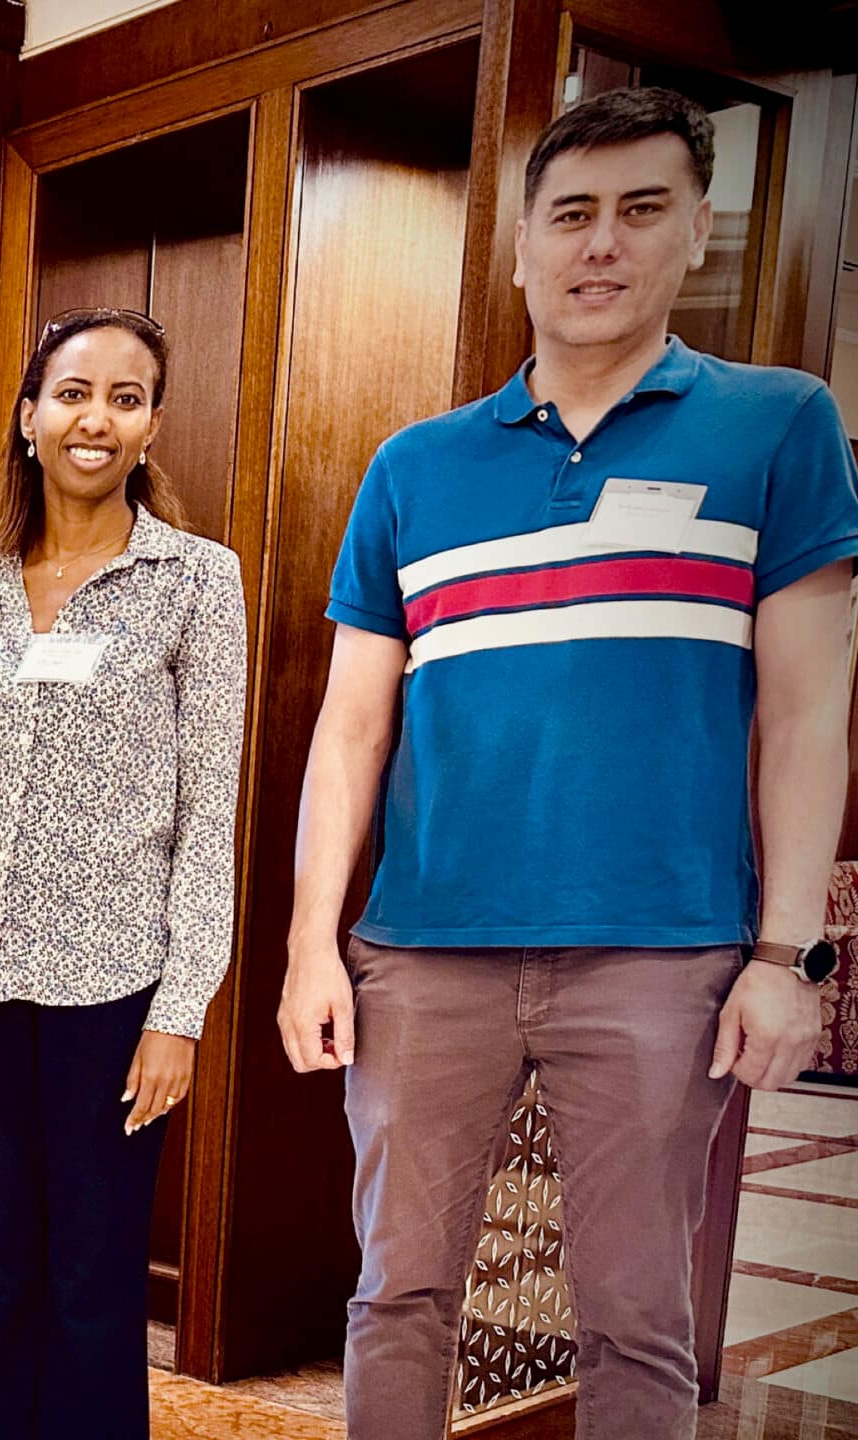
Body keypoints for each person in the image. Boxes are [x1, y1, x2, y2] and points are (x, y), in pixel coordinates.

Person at [278, 86, 857, 1440]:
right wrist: (313, 944)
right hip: (424, 951)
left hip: (659, 955)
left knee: (637, 1320)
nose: (602, 244)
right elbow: (351, 727)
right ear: (520, 246)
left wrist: (788, 958)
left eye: (641, 210)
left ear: (695, 233)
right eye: (572, 214)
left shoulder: (776, 426)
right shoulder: (414, 468)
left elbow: (806, 716)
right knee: (397, 1296)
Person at [0, 307, 248, 1439]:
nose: (96, 419)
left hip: (113, 993)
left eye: (125, 399)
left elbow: (208, 817)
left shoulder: (196, 581)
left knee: (93, 1287)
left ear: (150, 429)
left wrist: (180, 1012)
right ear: (29, 416)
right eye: (73, 393)